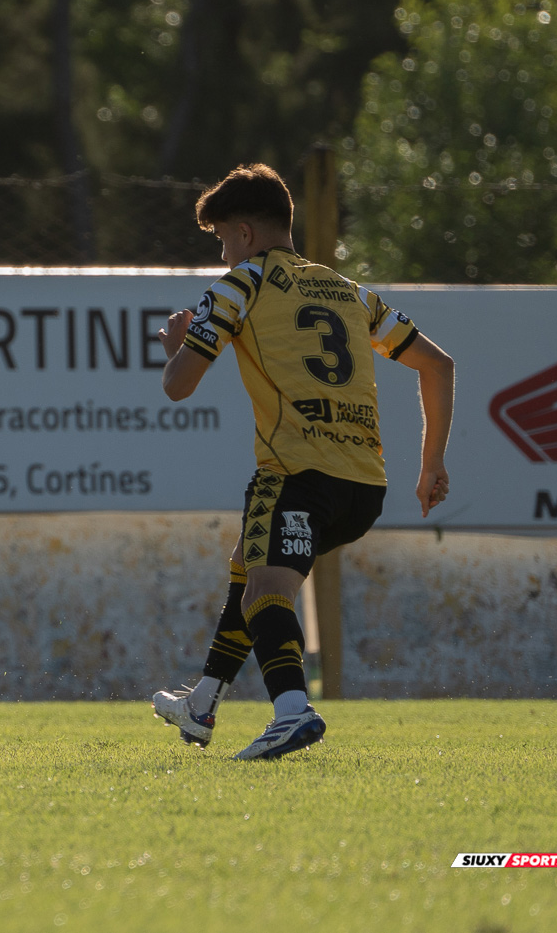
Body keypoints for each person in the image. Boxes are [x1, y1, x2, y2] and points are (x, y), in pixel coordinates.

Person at [148, 164, 454, 760]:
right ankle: (205, 700)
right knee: (249, 564)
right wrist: (432, 464)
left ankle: (291, 711)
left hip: (294, 473)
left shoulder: (240, 285)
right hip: (365, 486)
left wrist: (177, 347)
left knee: (265, 591)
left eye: (220, 241)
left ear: (241, 233)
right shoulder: (350, 292)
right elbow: (438, 365)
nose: (222, 255)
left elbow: (177, 385)